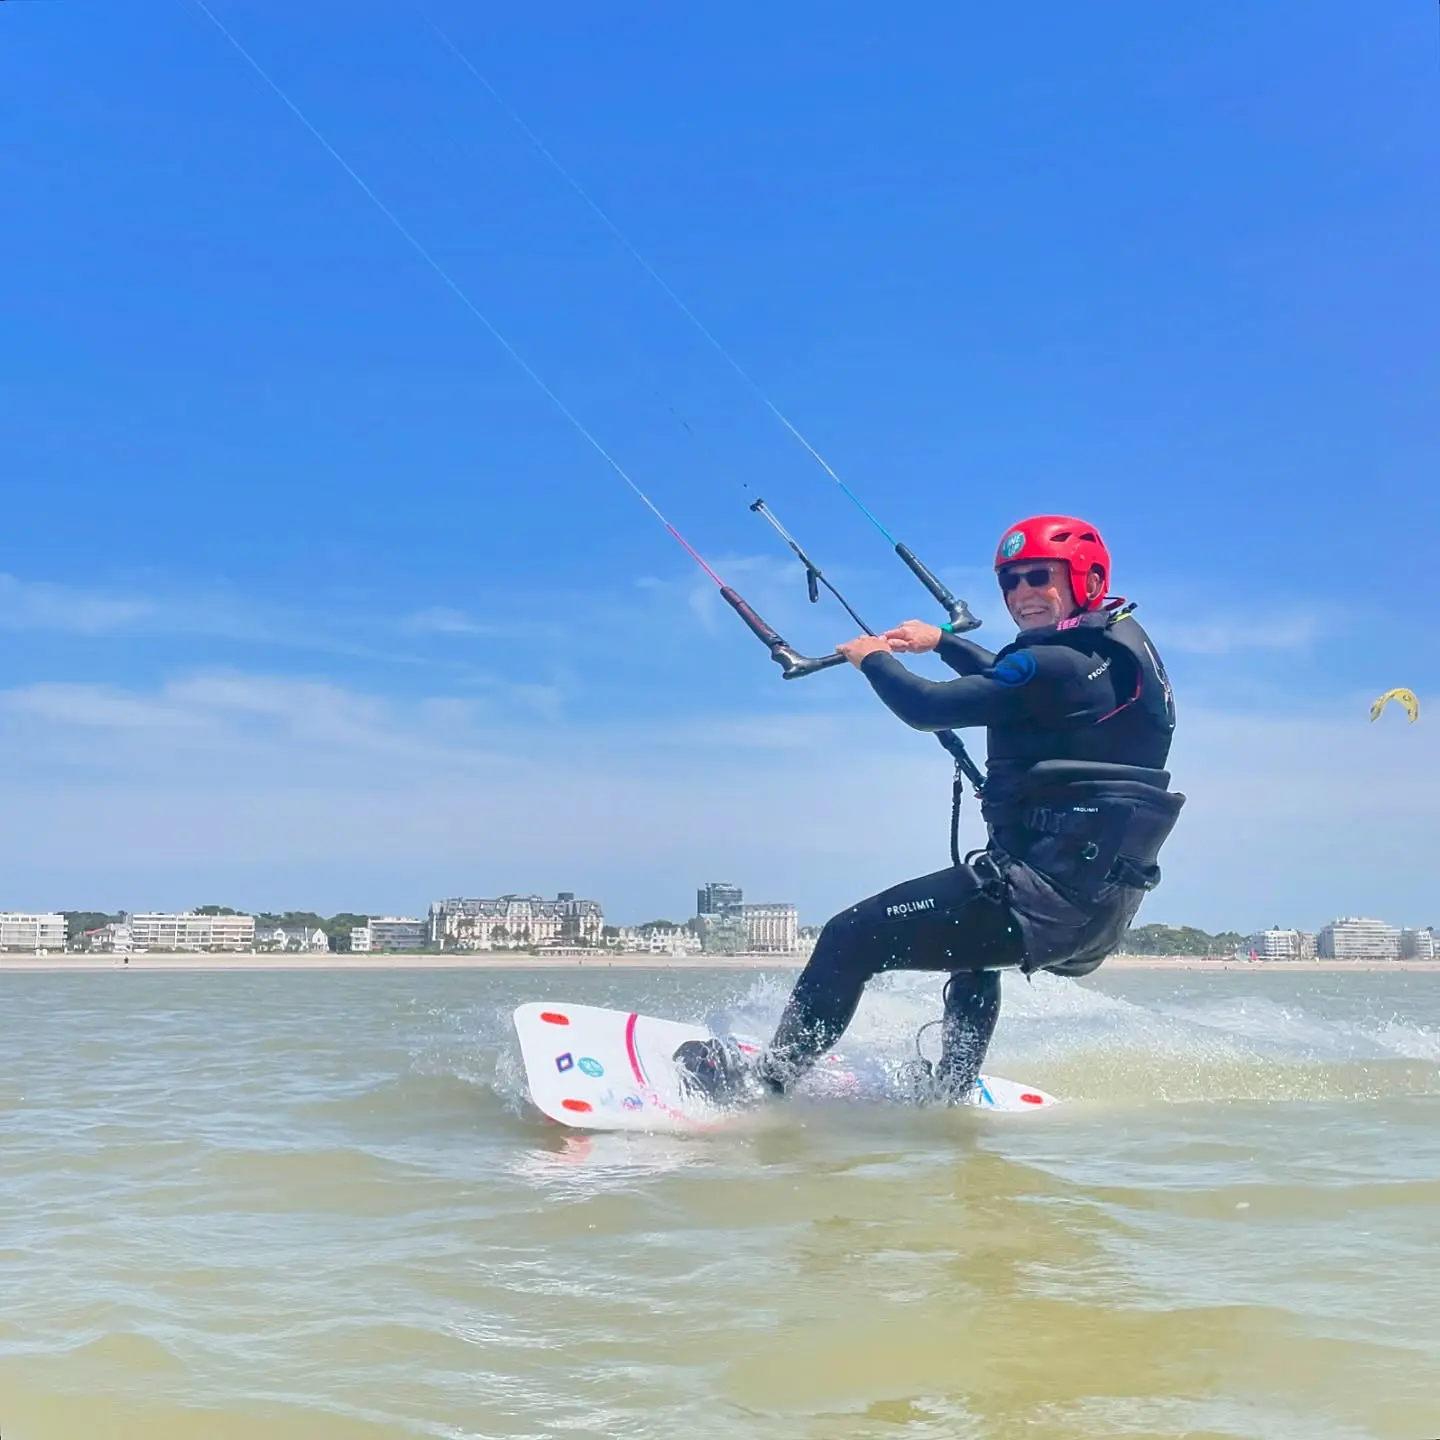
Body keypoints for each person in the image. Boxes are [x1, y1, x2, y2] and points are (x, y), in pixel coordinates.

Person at [677, 515, 1185, 1103]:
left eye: (1039, 577)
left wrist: (873, 658)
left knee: (848, 938)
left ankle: (764, 1086)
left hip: (1037, 898)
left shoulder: (1056, 664)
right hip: (1099, 907)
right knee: (974, 958)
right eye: (1010, 582)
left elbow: (926, 707)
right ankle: (951, 1092)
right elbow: (1020, 683)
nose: (1022, 594)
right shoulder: (1117, 652)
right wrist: (942, 642)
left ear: (1085, 578)